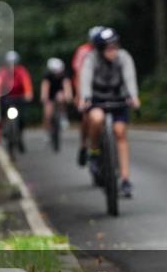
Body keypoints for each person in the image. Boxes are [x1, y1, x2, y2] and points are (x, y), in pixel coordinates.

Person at [77, 28, 141, 198]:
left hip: (118, 100)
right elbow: (85, 79)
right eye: (108, 48)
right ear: (99, 49)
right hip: (97, 100)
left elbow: (129, 78)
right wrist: (85, 98)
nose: (113, 50)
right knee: (96, 119)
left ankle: (126, 179)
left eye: (115, 46)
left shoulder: (124, 57)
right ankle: (95, 153)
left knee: (120, 132)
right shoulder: (90, 59)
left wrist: (133, 97)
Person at [74, 26, 104, 166]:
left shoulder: (108, 50)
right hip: (85, 87)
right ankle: (84, 146)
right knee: (86, 117)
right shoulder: (83, 51)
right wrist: (80, 96)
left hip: (104, 88)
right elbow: (80, 74)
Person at [0, 50, 34, 152]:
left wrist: (28, 94)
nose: (12, 66)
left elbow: (27, 84)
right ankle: (4, 128)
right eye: (10, 64)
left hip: (19, 98)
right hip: (7, 97)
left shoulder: (22, 71)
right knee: (2, 113)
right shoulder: (3, 72)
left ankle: (20, 136)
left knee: (21, 118)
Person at [41, 57, 73, 137]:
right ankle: (47, 132)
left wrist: (68, 97)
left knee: (61, 97)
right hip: (50, 94)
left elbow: (67, 86)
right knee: (47, 113)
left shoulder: (64, 75)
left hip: (59, 93)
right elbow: (45, 87)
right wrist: (44, 98)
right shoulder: (47, 76)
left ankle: (63, 115)